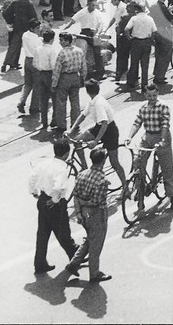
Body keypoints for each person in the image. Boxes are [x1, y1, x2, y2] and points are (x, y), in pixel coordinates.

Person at [126, 84, 173, 217]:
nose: (152, 98)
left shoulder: (163, 106)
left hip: (161, 136)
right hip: (147, 136)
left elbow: (165, 125)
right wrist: (129, 137)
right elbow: (137, 123)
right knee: (138, 163)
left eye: (154, 95)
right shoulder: (143, 107)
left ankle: (172, 197)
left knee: (167, 168)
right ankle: (140, 196)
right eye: (149, 95)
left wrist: (162, 140)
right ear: (145, 95)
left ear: (158, 93)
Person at [29, 140, 79, 275]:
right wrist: (55, 200)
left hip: (43, 199)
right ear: (67, 154)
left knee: (42, 234)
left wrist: (34, 192)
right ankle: (75, 259)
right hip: (54, 203)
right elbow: (59, 187)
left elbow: (32, 177)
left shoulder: (43, 164)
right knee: (63, 233)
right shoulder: (62, 169)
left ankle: (40, 264)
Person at [67, 80, 127, 189]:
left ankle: (125, 187)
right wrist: (71, 130)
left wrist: (95, 141)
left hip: (110, 131)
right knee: (78, 140)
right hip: (99, 127)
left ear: (87, 91)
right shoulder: (92, 101)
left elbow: (104, 123)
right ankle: (85, 168)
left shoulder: (99, 103)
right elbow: (82, 115)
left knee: (114, 163)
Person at [65, 146, 113, 282]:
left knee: (90, 239)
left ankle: (74, 263)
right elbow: (96, 202)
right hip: (96, 214)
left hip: (84, 214)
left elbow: (75, 195)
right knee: (96, 244)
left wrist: (79, 211)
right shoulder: (102, 180)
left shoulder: (82, 174)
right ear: (103, 161)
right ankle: (94, 273)